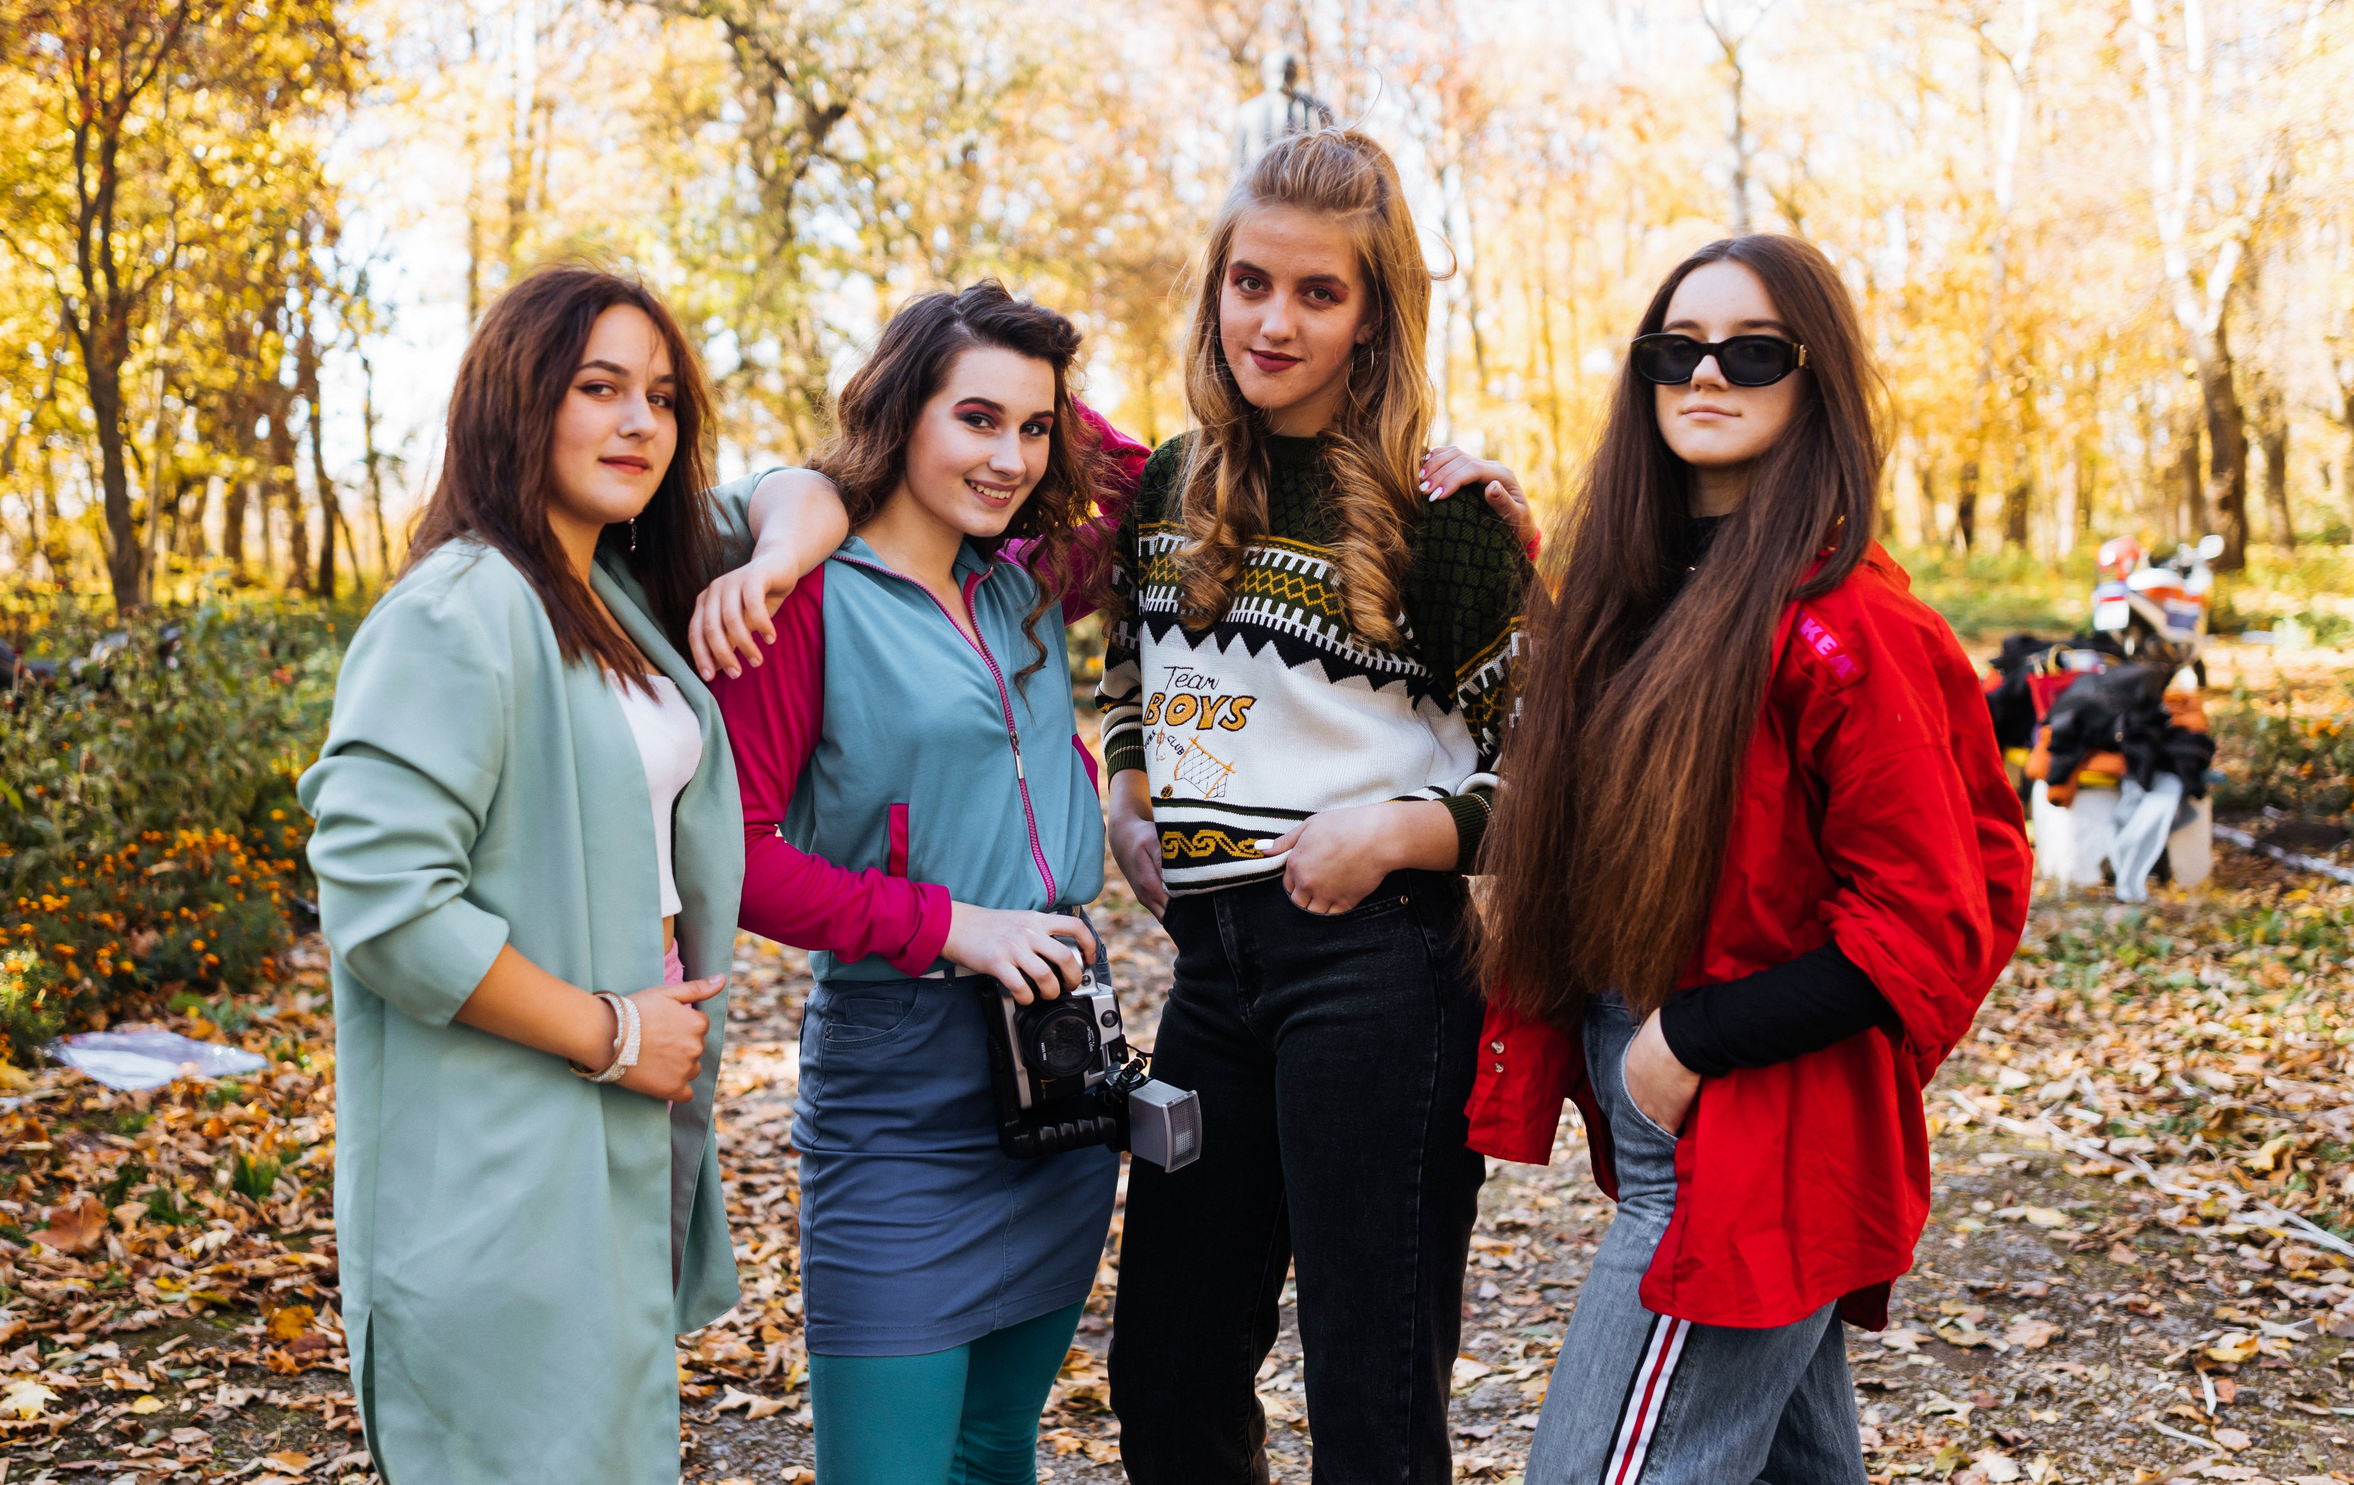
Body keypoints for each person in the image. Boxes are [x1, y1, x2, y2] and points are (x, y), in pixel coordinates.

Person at [1466, 235, 2032, 1484]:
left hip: (1741, 1133)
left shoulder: (1848, 627)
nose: (1705, 373)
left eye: (1751, 351)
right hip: (1697, 1117)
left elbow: (1926, 921)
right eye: (1676, 349)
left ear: (1812, 380)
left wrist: (1690, 1041)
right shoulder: (1638, 591)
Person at [298, 265, 847, 1484]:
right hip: (504, 1128)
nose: (639, 422)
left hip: (621, 1107)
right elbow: (380, 905)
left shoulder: (607, 588)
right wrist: (608, 1032)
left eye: (660, 396)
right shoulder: (460, 610)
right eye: (599, 388)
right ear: (517, 401)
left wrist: (761, 573)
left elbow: (805, 494)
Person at [1099, 126, 1536, 1484]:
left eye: (1317, 292)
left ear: (1373, 313)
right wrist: (1128, 787)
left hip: (1382, 968)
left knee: (1371, 1378)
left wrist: (1406, 829)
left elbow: (1560, 780)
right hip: (1212, 973)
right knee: (1166, 1364)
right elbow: (1133, 659)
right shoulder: (1167, 484)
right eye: (1249, 282)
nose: (1272, 320)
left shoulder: (1441, 515)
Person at [704, 282, 1137, 1485]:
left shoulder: (1026, 580)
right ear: (901, 413)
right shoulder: (805, 600)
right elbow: (735, 857)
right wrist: (950, 927)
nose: (1009, 458)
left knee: (997, 1445)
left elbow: (1147, 475)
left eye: (1033, 428)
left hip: (1058, 1056)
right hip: (898, 1084)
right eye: (975, 418)